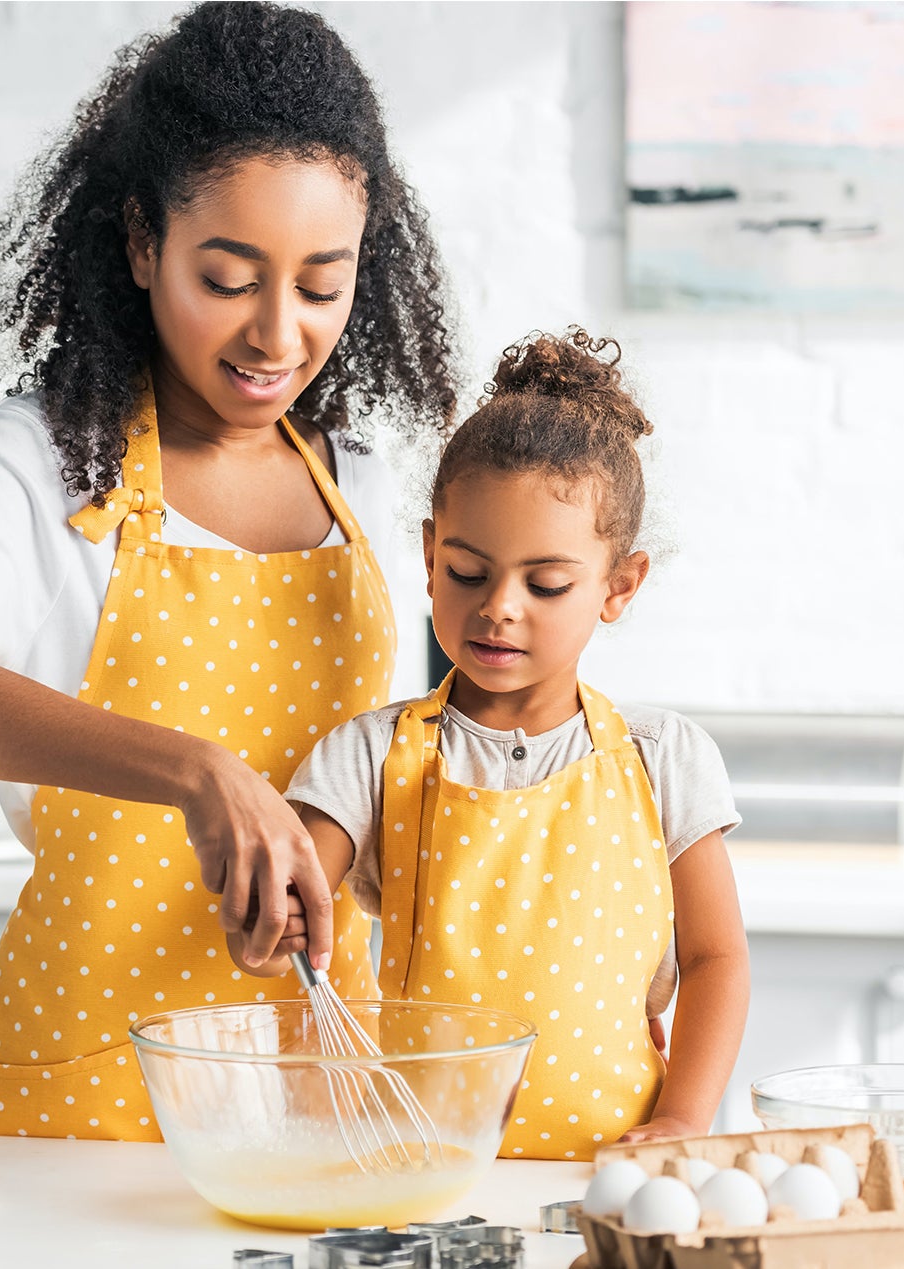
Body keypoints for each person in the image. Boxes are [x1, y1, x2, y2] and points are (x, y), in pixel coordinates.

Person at [0, 1, 460, 1141]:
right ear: (142, 244)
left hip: (317, 1073)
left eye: (321, 285)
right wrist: (196, 774)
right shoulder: (42, 460)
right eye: (228, 278)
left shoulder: (365, 489)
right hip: (85, 1086)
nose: (278, 333)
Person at [263, 328, 750, 1160]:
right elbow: (297, 888)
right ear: (426, 556)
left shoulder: (660, 757)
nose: (499, 607)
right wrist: (277, 908)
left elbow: (715, 958)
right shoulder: (366, 754)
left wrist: (681, 1119)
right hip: (423, 1171)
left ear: (616, 586)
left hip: (613, 1173)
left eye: (546, 583)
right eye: (466, 572)